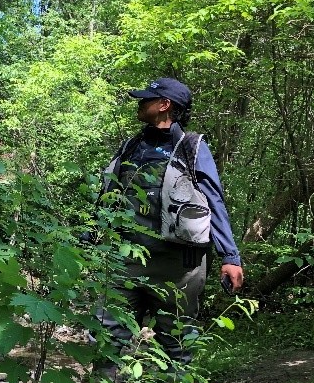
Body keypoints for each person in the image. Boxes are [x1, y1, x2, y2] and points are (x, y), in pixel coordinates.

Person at [95, 77, 244, 364]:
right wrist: (90, 237)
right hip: (125, 260)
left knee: (175, 336)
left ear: (165, 105)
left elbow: (214, 201)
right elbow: (107, 192)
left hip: (179, 266)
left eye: (147, 98)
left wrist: (230, 256)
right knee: (107, 332)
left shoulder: (192, 147)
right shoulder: (131, 146)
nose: (140, 103)